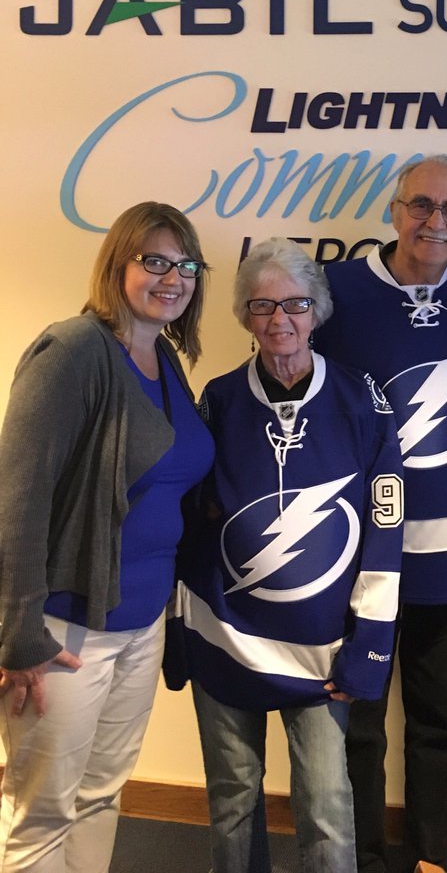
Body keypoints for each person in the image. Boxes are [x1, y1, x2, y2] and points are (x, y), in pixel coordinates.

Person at [314, 155, 447, 873]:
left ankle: (430, 855)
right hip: (357, 561)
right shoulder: (336, 292)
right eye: (422, 205)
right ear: (395, 209)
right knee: (358, 723)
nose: (437, 222)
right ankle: (364, 858)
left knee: (442, 722)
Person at [177, 238, 404, 873]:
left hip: (322, 651)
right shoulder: (217, 403)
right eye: (263, 306)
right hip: (228, 638)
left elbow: (386, 531)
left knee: (328, 806)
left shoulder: (363, 401)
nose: (281, 320)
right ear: (245, 316)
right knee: (232, 801)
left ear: (318, 310)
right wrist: (179, 626)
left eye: (296, 305)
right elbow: (190, 526)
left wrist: (373, 642)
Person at [0, 201, 213, 872]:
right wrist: (18, 635)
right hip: (65, 630)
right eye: (154, 260)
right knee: (41, 813)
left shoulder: (165, 360)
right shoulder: (73, 352)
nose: (172, 277)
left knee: (100, 796)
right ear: (117, 262)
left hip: (141, 623)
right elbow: (19, 498)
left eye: (185, 264)